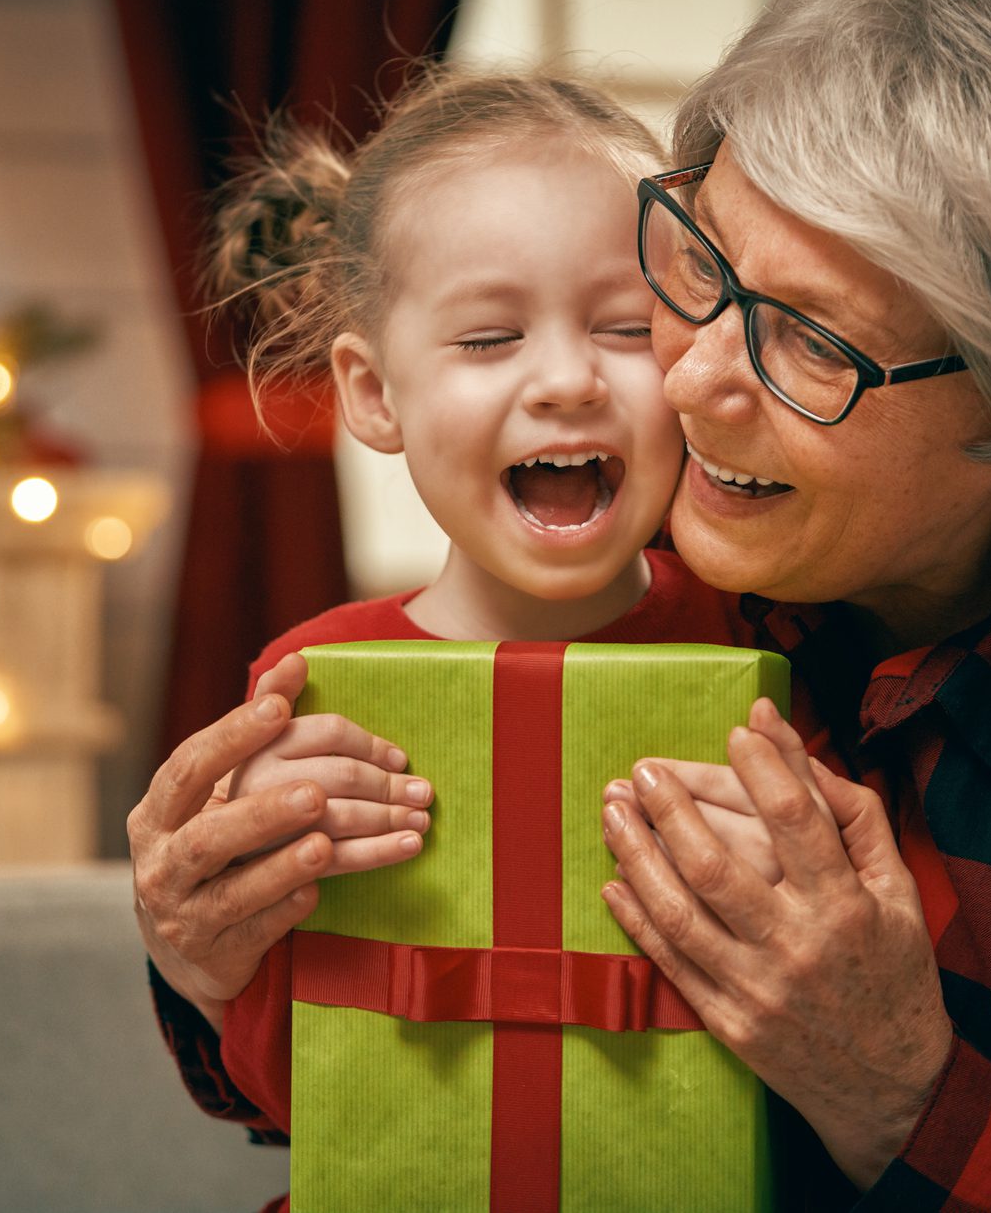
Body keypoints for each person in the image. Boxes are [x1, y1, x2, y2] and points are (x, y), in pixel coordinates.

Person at [131, 0, 991, 1208]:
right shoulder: (641, 534)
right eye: (697, 265)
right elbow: (417, 1083)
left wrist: (895, 1089)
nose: (685, 379)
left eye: (814, 343)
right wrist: (208, 952)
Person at [169, 70, 799, 1152]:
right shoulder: (307, 688)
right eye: (487, 339)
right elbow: (293, 1097)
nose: (565, 381)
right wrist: (231, 944)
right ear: (373, 394)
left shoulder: (770, 637)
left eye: (622, 328)